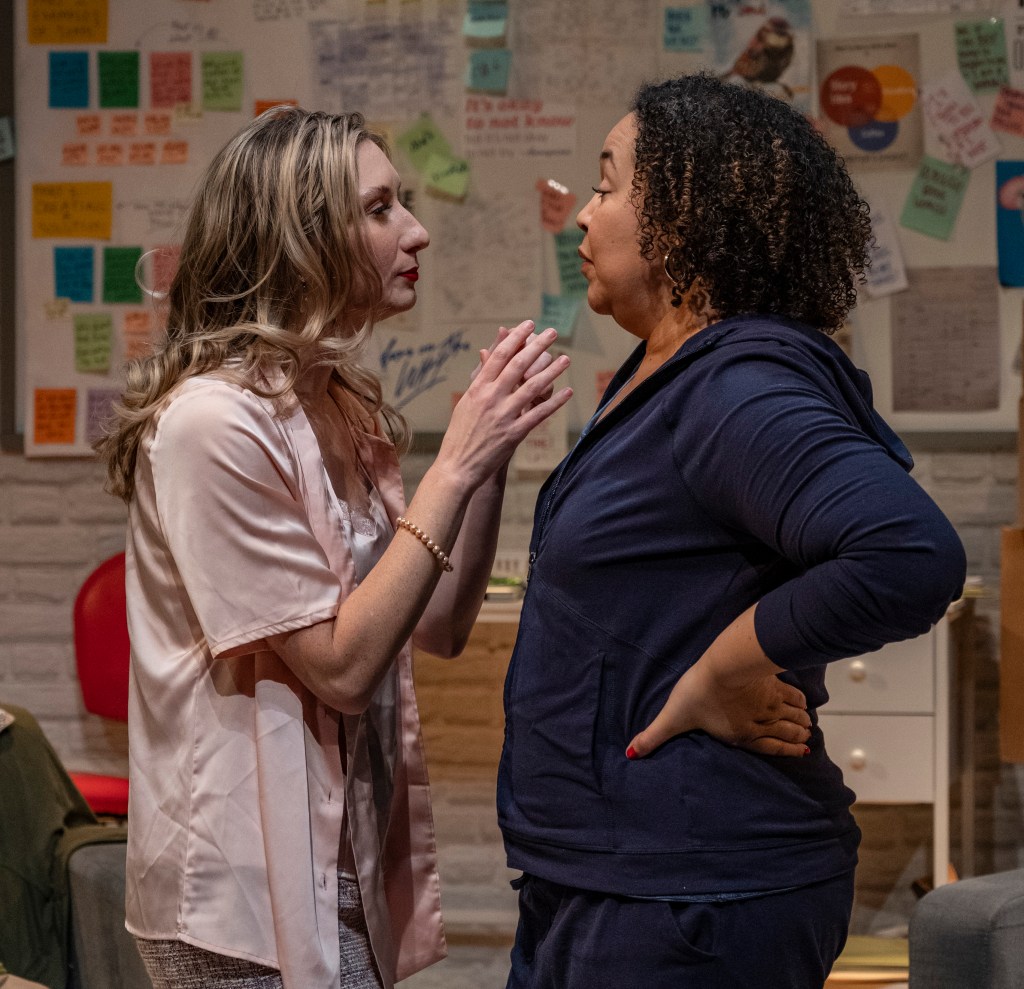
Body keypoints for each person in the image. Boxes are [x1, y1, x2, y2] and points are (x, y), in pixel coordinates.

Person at [497, 73, 967, 989]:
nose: (583, 215)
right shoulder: (667, 372)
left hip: (692, 894)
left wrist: (721, 670)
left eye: (606, 186)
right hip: (611, 875)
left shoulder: (734, 387)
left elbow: (909, 554)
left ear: (679, 221)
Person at [97, 107, 574, 989]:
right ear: (301, 240)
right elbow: (343, 667)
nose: (416, 231)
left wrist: (488, 459)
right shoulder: (213, 422)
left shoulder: (334, 403)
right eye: (381, 208)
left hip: (337, 856)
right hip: (241, 891)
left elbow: (438, 623)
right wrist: (453, 462)